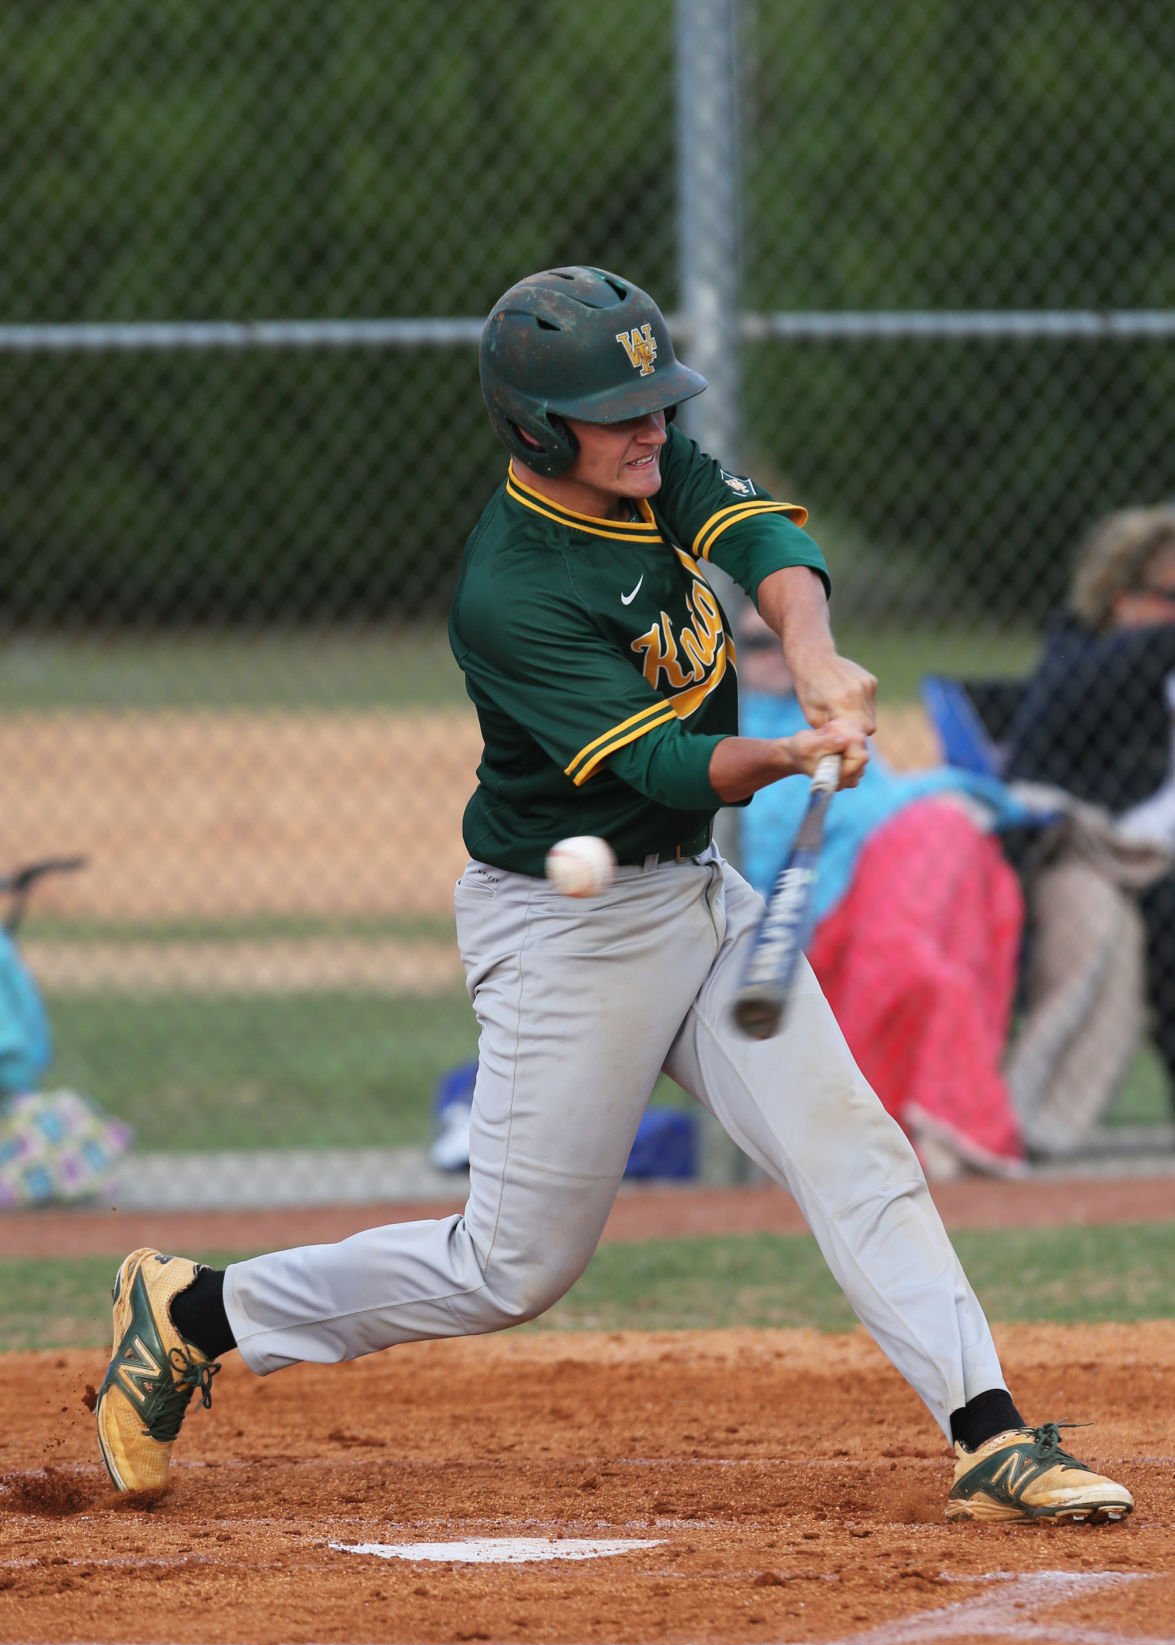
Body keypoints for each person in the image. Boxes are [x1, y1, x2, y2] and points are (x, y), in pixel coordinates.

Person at [95, 264, 1132, 1525]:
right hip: (566, 929)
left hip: (692, 895)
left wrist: (809, 659)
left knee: (852, 1148)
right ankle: (193, 1311)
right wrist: (797, 754)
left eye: (654, 400)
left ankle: (987, 1434)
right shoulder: (511, 591)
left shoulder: (646, 465)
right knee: (511, 1267)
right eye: (617, 408)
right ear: (538, 428)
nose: (651, 426)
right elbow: (662, 762)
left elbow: (762, 536)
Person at [737, 607, 1029, 1182]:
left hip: (891, 874)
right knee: (918, 927)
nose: (771, 656)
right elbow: (765, 837)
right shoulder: (726, 727)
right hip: (811, 915)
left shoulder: (830, 717)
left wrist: (958, 796)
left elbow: (879, 799)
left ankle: (945, 1119)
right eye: (753, 644)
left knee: (943, 833)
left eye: (783, 641)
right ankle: (940, 1120)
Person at [1005, 507, 1175, 1148]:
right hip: (1074, 854)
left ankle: (1051, 1126)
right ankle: (1033, 1120)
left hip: (1155, 864)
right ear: (1118, 598)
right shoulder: (1082, 659)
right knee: (1102, 927)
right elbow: (1068, 711)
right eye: (1170, 599)